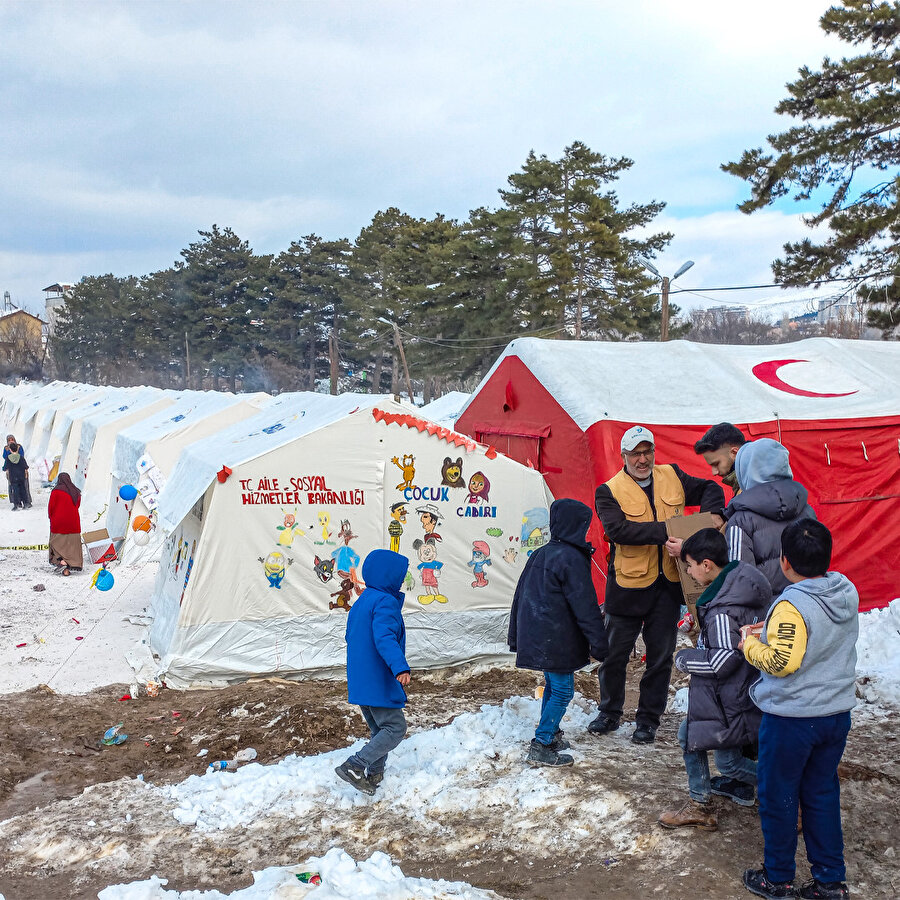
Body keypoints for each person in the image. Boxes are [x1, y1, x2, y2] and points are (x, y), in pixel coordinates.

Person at [739, 520, 857, 900]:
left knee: (779, 796)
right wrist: (773, 627)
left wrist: (749, 646)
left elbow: (781, 662)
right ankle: (829, 882)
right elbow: (814, 632)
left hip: (793, 719)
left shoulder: (792, 603)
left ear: (784, 562)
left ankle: (778, 879)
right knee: (821, 793)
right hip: (835, 714)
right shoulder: (844, 590)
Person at [591, 425, 725, 744]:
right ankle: (609, 711)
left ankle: (649, 719)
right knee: (615, 655)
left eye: (647, 451)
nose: (642, 459)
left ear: (654, 452)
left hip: (667, 585)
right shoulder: (608, 490)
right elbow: (621, 531)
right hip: (627, 586)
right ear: (623, 456)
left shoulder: (672, 475)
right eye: (635, 453)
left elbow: (709, 488)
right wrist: (673, 529)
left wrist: (712, 517)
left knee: (661, 656)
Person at [657, 528, 771, 831]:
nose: (690, 572)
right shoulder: (742, 582)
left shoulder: (722, 608)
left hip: (726, 694)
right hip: (745, 687)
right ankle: (700, 802)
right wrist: (700, 634)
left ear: (707, 565)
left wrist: (685, 659)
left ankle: (704, 804)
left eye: (690, 565)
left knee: (725, 760)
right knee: (702, 744)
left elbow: (722, 660)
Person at [508, 498, 609, 767]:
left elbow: (520, 596)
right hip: (557, 637)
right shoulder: (571, 558)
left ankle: (550, 733)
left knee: (554, 687)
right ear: (575, 526)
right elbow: (585, 606)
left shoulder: (544, 552)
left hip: (541, 634)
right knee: (563, 692)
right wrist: (599, 643)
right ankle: (542, 743)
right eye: (584, 526)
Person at [335, 548, 411, 796]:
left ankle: (375, 773)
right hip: (378, 679)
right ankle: (355, 765)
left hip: (360, 680)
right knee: (395, 728)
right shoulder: (385, 602)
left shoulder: (364, 600)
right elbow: (385, 638)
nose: (401, 582)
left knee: (380, 729)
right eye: (399, 577)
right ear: (388, 576)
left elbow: (350, 636)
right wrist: (399, 667)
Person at [725, 439, 815, 596]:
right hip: (806, 605)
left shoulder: (740, 520)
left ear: (745, 471)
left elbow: (739, 580)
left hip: (764, 615)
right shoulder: (807, 510)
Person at [694, 422, 747, 497]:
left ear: (734, 453)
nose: (714, 472)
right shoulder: (754, 478)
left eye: (716, 464)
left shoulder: (753, 484)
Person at [48, 473, 83, 575]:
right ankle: (67, 568)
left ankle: (62, 562)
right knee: (71, 546)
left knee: (56, 543)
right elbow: (77, 505)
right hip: (73, 523)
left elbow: (51, 507)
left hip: (58, 522)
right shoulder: (76, 491)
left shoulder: (56, 491)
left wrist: (51, 518)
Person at [4, 434, 32, 508]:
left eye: (12, 439)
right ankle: (22, 503)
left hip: (13, 475)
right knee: (20, 488)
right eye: (9, 440)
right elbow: (25, 464)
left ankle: (19, 504)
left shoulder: (19, 447)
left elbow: (5, 465)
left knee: (18, 489)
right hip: (20, 474)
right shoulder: (6, 448)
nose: (11, 441)